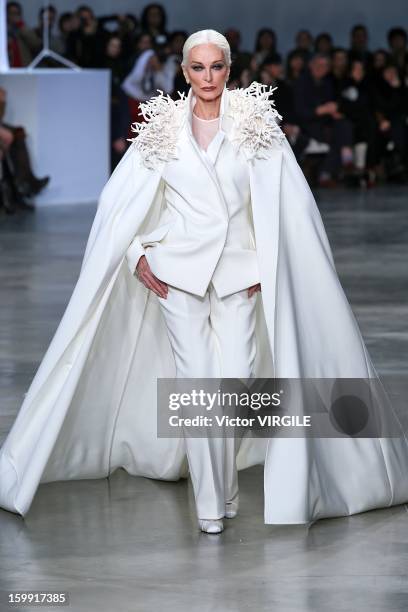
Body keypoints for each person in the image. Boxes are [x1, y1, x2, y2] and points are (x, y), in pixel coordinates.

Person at [1, 30, 408, 536]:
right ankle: (210, 505)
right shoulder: (162, 129)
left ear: (229, 68)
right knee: (197, 393)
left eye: (217, 67)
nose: (208, 77)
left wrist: (270, 261)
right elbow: (120, 202)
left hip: (241, 274)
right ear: (184, 70)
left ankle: (226, 489)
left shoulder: (255, 123)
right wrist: (135, 255)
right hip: (177, 275)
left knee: (235, 390)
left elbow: (290, 200)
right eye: (198, 68)